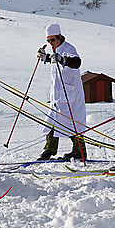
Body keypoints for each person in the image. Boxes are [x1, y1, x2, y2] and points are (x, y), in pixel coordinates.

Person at [37, 23, 87, 161]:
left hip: (71, 96)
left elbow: (76, 62)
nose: (51, 43)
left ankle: (79, 152)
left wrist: (63, 60)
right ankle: (49, 150)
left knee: (73, 123)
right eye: (48, 41)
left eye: (52, 40)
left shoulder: (69, 48)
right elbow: (54, 59)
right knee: (52, 122)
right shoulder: (56, 50)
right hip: (58, 96)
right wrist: (44, 57)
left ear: (59, 37)